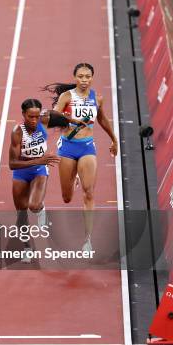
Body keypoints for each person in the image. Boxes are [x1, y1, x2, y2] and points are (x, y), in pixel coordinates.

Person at [42, 63, 118, 251]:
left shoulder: (97, 98)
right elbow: (52, 116)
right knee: (66, 197)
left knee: (89, 192)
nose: (84, 80)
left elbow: (102, 119)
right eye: (81, 76)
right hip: (68, 147)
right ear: (75, 78)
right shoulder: (66, 96)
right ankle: (74, 176)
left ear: (92, 78)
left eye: (88, 76)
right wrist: (70, 120)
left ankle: (88, 240)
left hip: (87, 148)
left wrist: (114, 139)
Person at [9, 98, 85, 258]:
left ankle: (41, 209)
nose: (34, 120)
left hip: (39, 171)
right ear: (23, 114)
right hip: (21, 172)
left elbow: (56, 114)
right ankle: (27, 249)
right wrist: (39, 160)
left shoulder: (43, 120)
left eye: (37, 116)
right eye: (30, 117)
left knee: (33, 205)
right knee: (21, 215)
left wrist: (73, 120)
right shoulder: (17, 131)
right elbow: (12, 164)